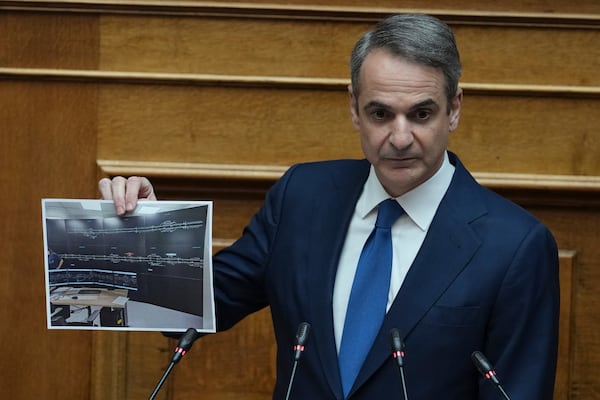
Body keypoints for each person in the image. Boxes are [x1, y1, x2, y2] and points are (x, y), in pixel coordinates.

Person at [99, 13, 559, 399]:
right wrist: (144, 231)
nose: (400, 138)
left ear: (454, 109)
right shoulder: (304, 197)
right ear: (355, 109)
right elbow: (193, 306)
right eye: (381, 114)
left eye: (421, 114)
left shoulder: (515, 246)